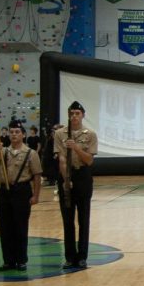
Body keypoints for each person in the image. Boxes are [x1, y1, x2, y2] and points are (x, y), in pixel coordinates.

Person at [54, 101, 98, 270]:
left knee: (83, 218)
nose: (74, 117)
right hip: (67, 176)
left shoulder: (90, 134)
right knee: (67, 219)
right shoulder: (60, 134)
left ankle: (82, 256)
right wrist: (66, 179)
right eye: (71, 113)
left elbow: (89, 160)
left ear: (83, 115)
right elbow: (62, 158)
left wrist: (76, 148)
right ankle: (69, 256)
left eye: (77, 114)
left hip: (83, 176)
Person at [0, 120, 42, 271]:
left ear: (23, 135)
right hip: (4, 192)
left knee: (20, 227)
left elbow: (37, 175)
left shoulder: (30, 153)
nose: (14, 135)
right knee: (5, 227)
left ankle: (21, 259)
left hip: (21, 191)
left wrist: (35, 196)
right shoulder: (3, 151)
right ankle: (8, 260)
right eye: (11, 132)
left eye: (17, 132)